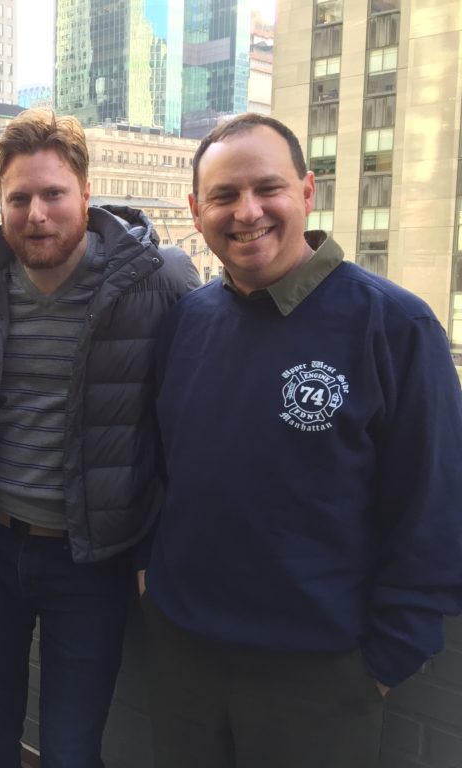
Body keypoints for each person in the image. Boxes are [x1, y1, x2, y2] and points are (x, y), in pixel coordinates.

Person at [142, 112, 462, 768]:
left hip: (320, 675)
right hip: (185, 656)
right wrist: (152, 577)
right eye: (224, 196)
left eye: (269, 189)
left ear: (308, 192)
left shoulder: (395, 325)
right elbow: (162, 465)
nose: (248, 212)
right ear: (196, 211)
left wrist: (385, 660)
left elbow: (435, 509)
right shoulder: (187, 321)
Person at [0, 108, 199, 767]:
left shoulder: (159, 281)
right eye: (19, 197)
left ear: (86, 194)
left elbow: (189, 417)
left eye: (54, 194)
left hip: (91, 561)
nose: (37, 214)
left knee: (69, 746)